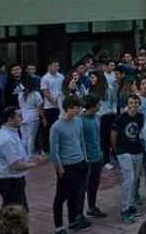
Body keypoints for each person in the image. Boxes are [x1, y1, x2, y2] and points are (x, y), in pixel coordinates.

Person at [49, 95, 90, 232]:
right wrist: (59, 167)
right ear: (68, 108)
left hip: (80, 163)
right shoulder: (56, 127)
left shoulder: (78, 121)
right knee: (61, 196)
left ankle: (73, 221)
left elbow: (81, 140)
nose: (79, 110)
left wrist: (84, 157)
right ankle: (59, 226)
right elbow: (54, 150)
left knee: (75, 194)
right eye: (76, 108)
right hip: (66, 165)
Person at [0, 106, 45, 209]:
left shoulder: (10, 132)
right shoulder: (6, 139)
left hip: (13, 179)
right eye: (19, 116)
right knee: (16, 211)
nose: (22, 118)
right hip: (10, 181)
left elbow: (18, 156)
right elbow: (16, 165)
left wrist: (32, 158)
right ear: (10, 119)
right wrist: (35, 164)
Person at [111, 94, 145, 224]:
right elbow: (113, 135)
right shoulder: (120, 118)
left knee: (135, 180)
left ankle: (130, 206)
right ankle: (124, 210)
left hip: (137, 150)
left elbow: (141, 133)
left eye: (136, 103)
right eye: (131, 103)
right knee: (129, 180)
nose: (133, 106)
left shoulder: (141, 117)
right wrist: (116, 151)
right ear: (127, 104)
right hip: (124, 152)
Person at [79, 95, 107, 219]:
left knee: (94, 184)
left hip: (97, 156)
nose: (100, 106)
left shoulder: (97, 117)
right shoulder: (80, 120)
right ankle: (78, 213)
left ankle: (92, 207)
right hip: (87, 159)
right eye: (98, 104)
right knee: (82, 186)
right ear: (93, 105)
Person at [39, 61, 65, 153]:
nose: (57, 67)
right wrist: (55, 101)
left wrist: (61, 103)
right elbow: (45, 93)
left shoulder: (61, 76)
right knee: (50, 128)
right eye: (55, 65)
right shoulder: (45, 78)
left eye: (58, 65)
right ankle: (48, 148)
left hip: (60, 106)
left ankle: (59, 146)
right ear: (49, 66)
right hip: (50, 106)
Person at [17, 80, 44, 156]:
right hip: (33, 116)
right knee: (31, 138)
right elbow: (40, 107)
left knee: (24, 137)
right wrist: (44, 118)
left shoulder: (20, 94)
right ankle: (30, 155)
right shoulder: (36, 94)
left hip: (22, 115)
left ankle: (23, 155)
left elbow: (20, 105)